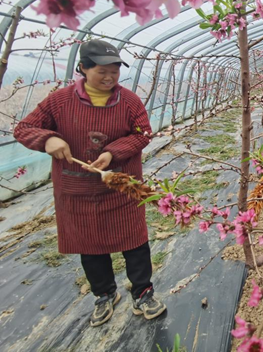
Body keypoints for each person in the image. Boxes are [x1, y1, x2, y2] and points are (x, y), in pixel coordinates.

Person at [14, 40, 166, 327]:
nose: (109, 78)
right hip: (78, 189)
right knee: (90, 244)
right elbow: (24, 128)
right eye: (101, 72)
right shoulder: (59, 101)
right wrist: (49, 139)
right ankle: (104, 294)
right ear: (83, 68)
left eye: (114, 72)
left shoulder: (129, 101)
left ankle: (143, 293)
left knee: (134, 241)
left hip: (122, 186)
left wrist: (112, 152)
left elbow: (143, 133)